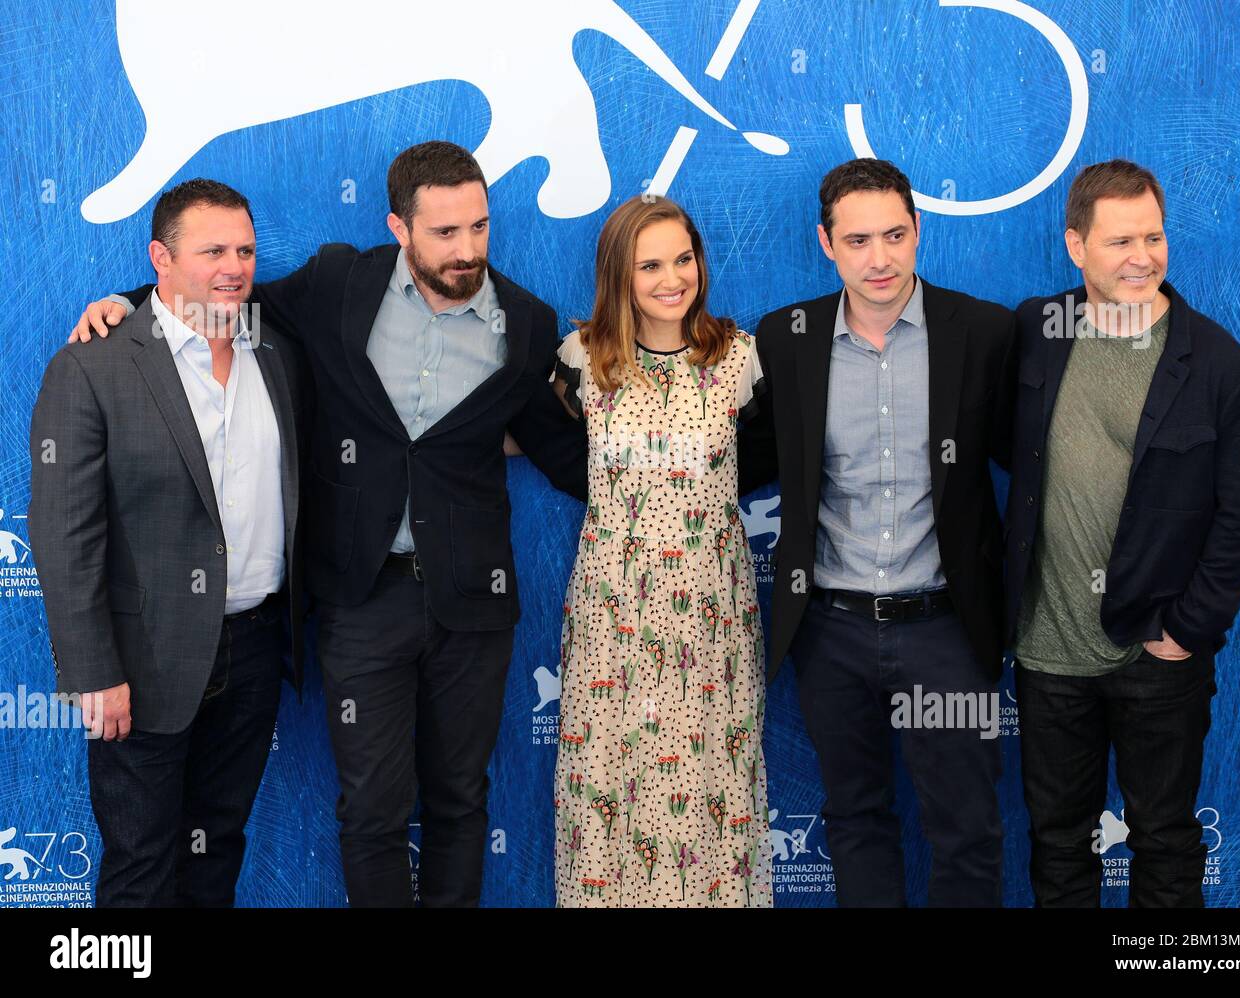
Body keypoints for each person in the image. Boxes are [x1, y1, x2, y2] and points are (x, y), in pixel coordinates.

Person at [70, 142, 587, 907]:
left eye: (479, 228)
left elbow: (560, 452)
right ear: (399, 227)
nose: (467, 250)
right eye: (444, 233)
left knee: (460, 801)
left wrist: (671, 441)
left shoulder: (529, 321)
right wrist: (128, 305)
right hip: (359, 598)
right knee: (371, 811)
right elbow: (222, 300)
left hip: (474, 603)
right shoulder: (341, 282)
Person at [738, 159, 1016, 906]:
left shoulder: (984, 332)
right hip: (831, 630)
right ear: (826, 244)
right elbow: (736, 457)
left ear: (919, 231)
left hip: (947, 628)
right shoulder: (787, 337)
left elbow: (1035, 459)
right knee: (857, 821)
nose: (880, 258)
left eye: (895, 234)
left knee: (967, 830)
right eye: (858, 240)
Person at [31, 179, 310, 906]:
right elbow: (66, 534)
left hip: (253, 650)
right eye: (212, 249)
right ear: (160, 256)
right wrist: (93, 672)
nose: (234, 266)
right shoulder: (93, 367)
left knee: (217, 850)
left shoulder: (275, 350)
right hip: (142, 660)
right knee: (141, 867)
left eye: (245, 250)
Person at [1004, 159, 1240, 907]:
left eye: (1153, 237)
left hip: (1158, 655)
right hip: (1047, 653)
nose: (1141, 257)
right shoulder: (1037, 330)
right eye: (1120, 240)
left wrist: (1185, 631)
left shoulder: (1226, 370)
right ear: (1075, 246)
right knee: (1058, 844)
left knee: (1163, 839)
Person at [550, 196, 772, 906]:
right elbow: (557, 454)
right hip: (613, 617)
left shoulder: (739, 357)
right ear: (620, 273)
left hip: (711, 619)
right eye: (650, 264)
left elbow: (761, 461)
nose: (673, 278)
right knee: (609, 788)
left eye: (683, 258)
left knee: (710, 787)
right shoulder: (581, 358)